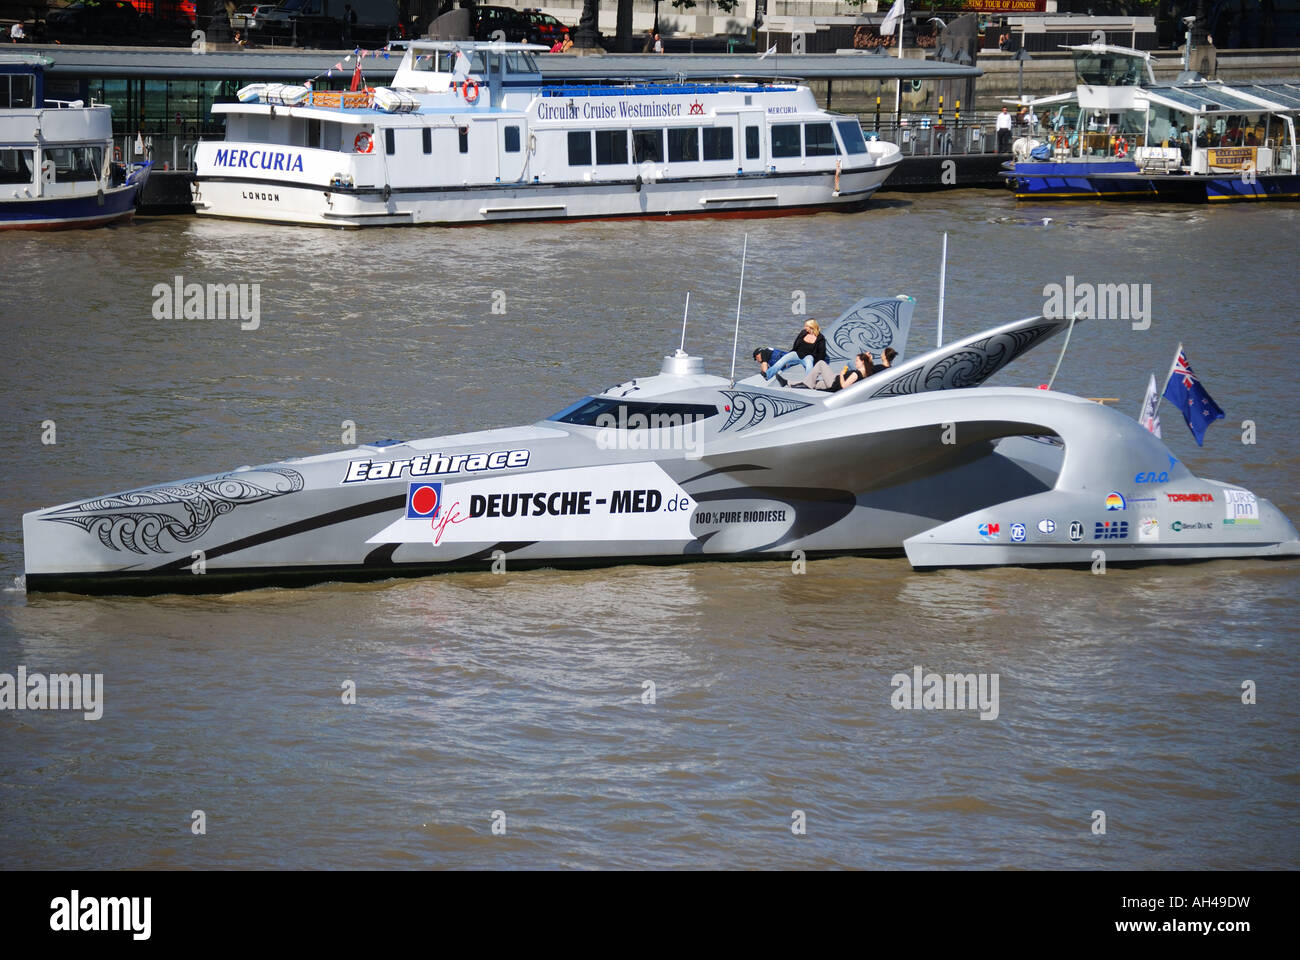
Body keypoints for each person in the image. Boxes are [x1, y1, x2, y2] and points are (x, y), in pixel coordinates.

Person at [786, 352, 875, 391]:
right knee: (816, 383)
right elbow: (870, 365)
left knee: (821, 363)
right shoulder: (866, 372)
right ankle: (788, 383)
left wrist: (841, 374)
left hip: (834, 382)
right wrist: (869, 359)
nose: (855, 363)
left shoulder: (856, 374)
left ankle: (806, 385)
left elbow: (844, 386)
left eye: (857, 361)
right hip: (834, 382)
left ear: (863, 362)